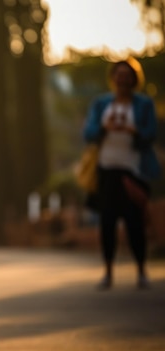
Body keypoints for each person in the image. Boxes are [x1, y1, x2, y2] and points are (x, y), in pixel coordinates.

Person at [83, 58, 161, 290]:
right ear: (113, 77)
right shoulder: (102, 104)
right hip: (107, 171)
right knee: (107, 223)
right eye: (119, 74)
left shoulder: (143, 104)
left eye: (127, 75)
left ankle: (141, 270)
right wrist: (104, 129)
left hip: (133, 171)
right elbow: (88, 133)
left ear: (134, 79)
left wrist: (132, 130)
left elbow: (151, 133)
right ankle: (108, 271)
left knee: (134, 222)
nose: (123, 79)